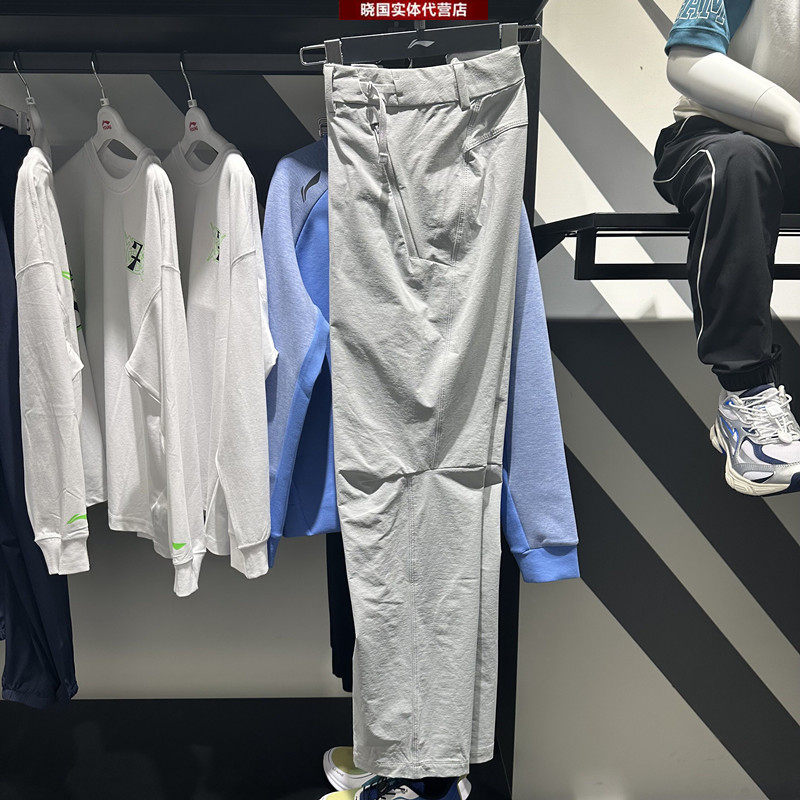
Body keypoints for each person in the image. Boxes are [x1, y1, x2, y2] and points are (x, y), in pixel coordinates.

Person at [654, 0, 800, 495]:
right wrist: (790, 113)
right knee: (738, 161)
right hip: (721, 135)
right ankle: (746, 396)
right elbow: (688, 60)